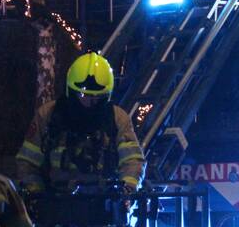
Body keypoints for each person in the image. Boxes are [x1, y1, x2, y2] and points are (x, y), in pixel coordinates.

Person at [15, 52, 145, 195]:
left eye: (97, 97)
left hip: (102, 201)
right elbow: (27, 163)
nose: (90, 103)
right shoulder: (48, 115)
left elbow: (132, 161)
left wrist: (127, 190)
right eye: (83, 95)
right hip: (54, 200)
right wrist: (35, 193)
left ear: (107, 95)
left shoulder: (117, 119)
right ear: (70, 91)